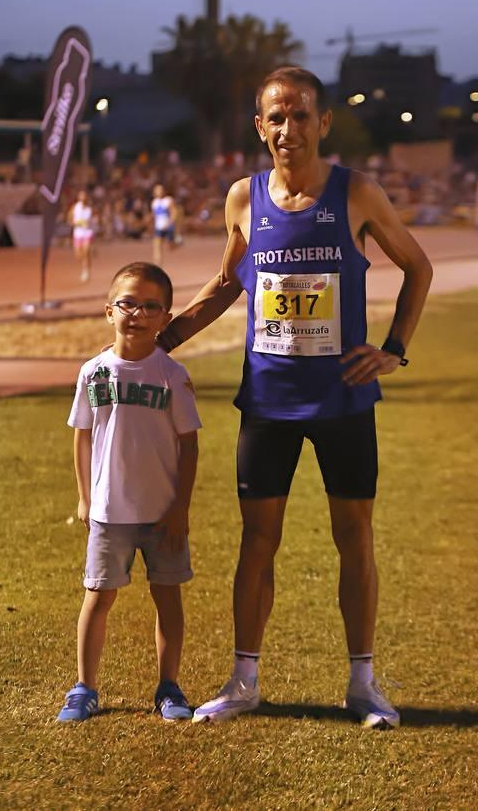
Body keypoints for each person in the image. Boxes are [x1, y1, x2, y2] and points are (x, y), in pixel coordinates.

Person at [157, 67, 433, 729]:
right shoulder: (242, 198)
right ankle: (243, 679)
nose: (289, 129)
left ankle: (363, 684)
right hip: (268, 401)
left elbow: (417, 266)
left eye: (301, 116)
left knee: (354, 536)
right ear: (260, 126)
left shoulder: (356, 193)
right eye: (276, 118)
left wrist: (394, 348)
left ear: (323, 121)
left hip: (342, 400)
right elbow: (227, 284)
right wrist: (157, 343)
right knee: (258, 540)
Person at [57, 262, 201, 722]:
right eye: (128, 303)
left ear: (165, 316)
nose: (137, 313)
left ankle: (169, 687)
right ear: (108, 311)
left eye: (150, 306)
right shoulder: (93, 372)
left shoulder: (171, 375)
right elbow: (81, 434)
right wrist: (84, 496)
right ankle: (84, 687)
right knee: (97, 596)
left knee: (167, 596)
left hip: (161, 512)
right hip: (108, 510)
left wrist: (181, 507)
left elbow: (189, 444)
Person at [69, 190, 95, 282]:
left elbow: (96, 219)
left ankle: (86, 271)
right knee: (78, 255)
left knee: (86, 251)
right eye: (81, 196)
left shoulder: (90, 209)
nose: (83, 198)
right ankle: (86, 262)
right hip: (78, 233)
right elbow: (70, 219)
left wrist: (91, 223)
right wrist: (76, 223)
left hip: (87, 233)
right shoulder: (75, 208)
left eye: (84, 196)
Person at [151, 184, 178, 265]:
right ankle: (158, 263)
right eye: (157, 190)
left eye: (161, 190)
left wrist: (170, 223)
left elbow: (174, 212)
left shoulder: (168, 200)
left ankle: (178, 241)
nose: (159, 192)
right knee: (157, 245)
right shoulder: (154, 202)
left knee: (171, 246)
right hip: (159, 227)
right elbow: (154, 216)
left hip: (168, 227)